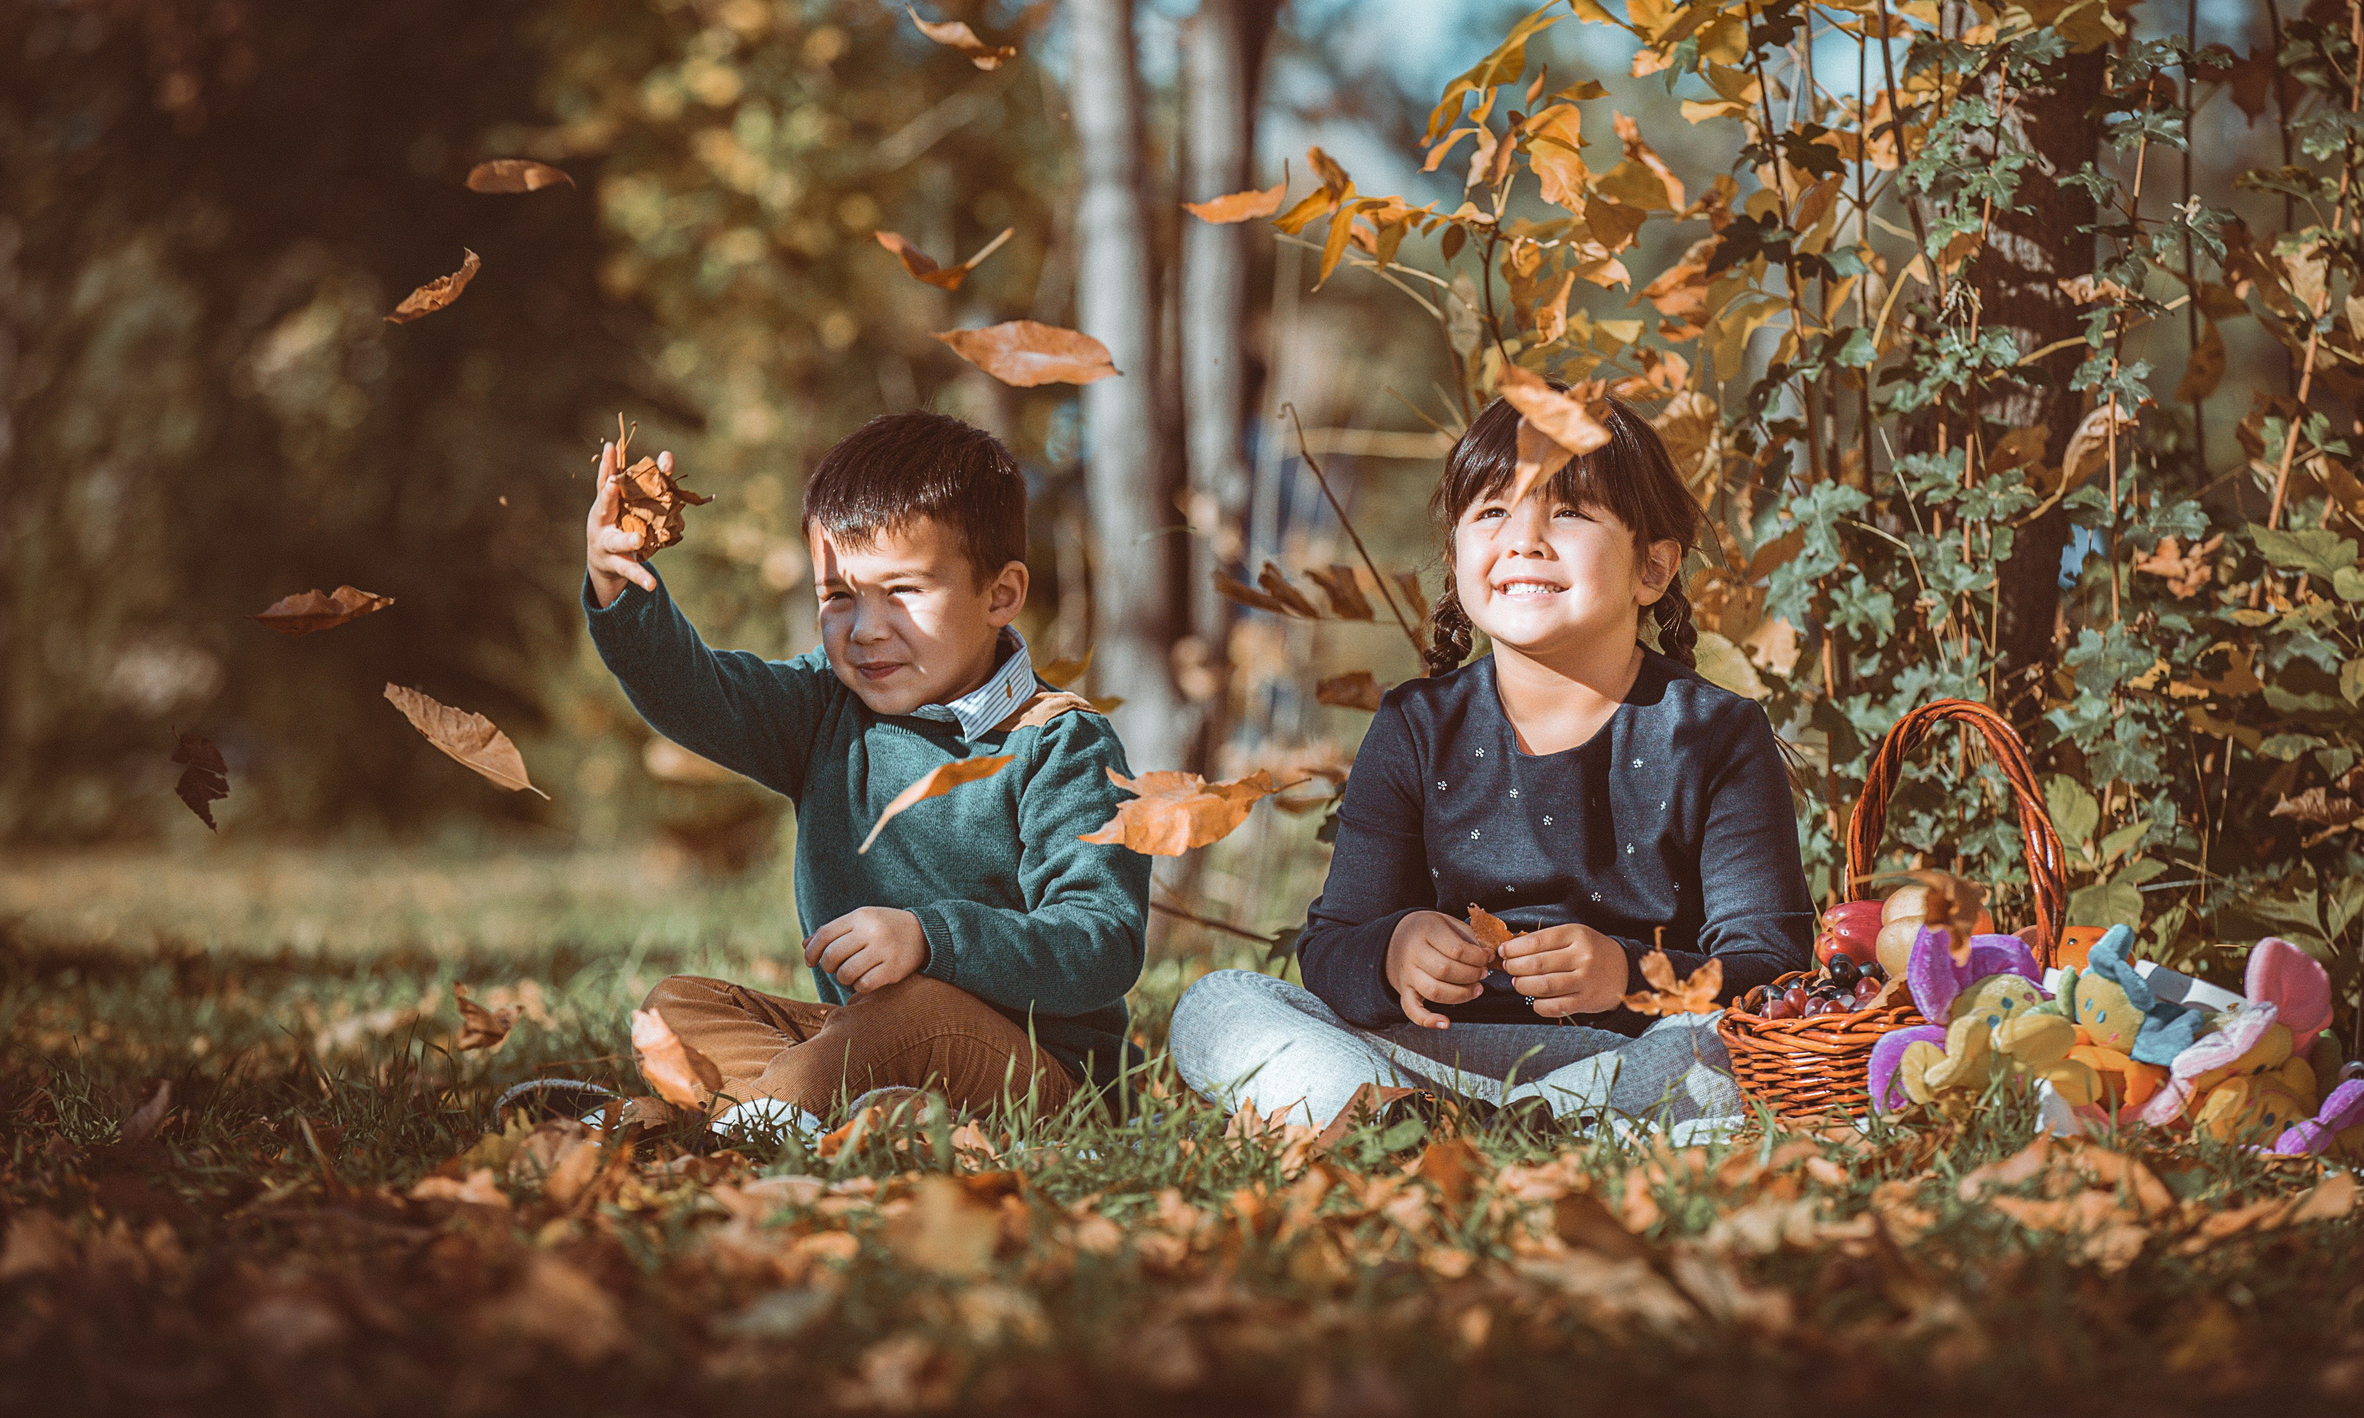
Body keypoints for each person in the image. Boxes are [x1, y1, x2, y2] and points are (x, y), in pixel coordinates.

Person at [1168, 391, 1812, 1135]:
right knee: (1217, 1003)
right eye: (1492, 512)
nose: (1525, 539)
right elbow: (1331, 949)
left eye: (1568, 512)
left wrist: (1626, 975)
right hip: (1429, 1061)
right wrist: (1394, 949)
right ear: (1457, 559)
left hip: (1634, 1057)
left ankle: (1467, 1130)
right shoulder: (1417, 725)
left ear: (1654, 567)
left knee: (1718, 1048)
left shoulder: (1716, 734)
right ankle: (1429, 1118)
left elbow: (1771, 963)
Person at [539, 409, 1148, 1140]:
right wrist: (619, 585)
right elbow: (699, 696)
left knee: (916, 1010)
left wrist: (933, 938)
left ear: (1001, 594)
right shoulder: (826, 706)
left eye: (904, 591)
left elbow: (1100, 941)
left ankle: (692, 1128)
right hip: (871, 1042)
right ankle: (842, 1118)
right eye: (839, 596)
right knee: (678, 1006)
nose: (865, 628)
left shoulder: (1061, 742)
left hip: (1045, 1076)